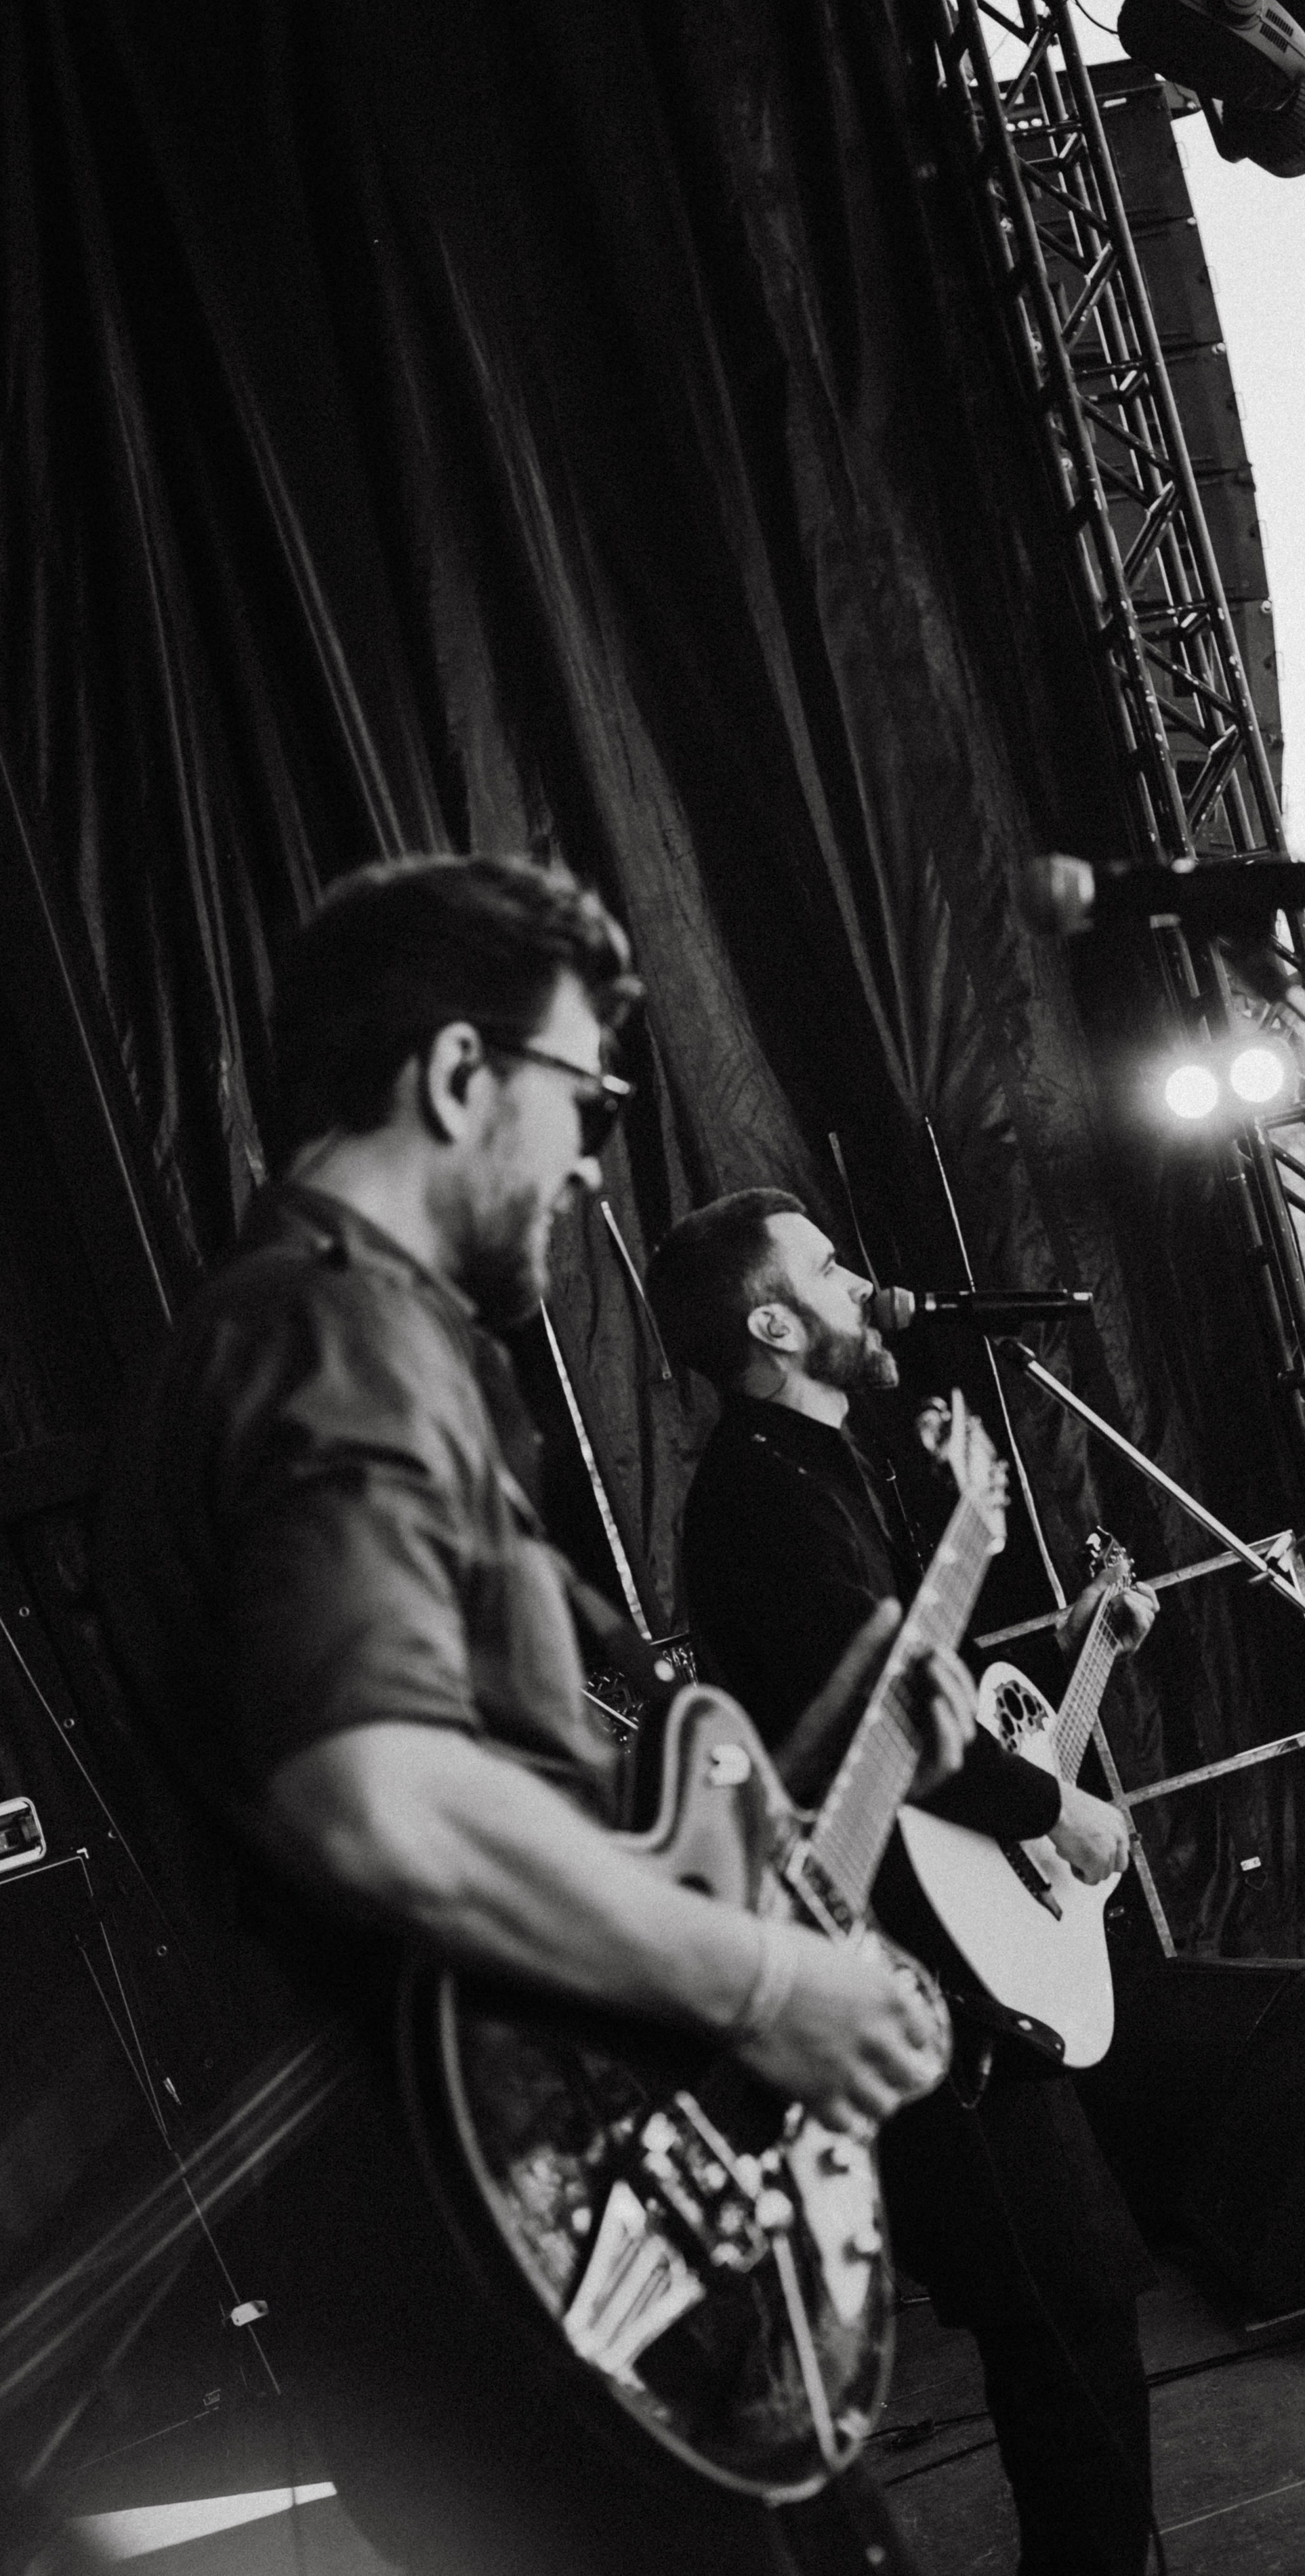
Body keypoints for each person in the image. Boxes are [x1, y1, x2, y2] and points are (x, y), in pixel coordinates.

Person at [98, 860, 982, 2576]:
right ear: (452, 1078)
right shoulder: (331, 1338)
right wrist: (765, 1979)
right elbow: (383, 1806)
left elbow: (541, 1808)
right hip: (517, 2264)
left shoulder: (298, 1342)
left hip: (504, 2263)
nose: (590, 1164)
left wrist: (833, 1762)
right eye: (581, 1101)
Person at [646, 1192, 1163, 2576]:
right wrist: (1052, 1804)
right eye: (824, 1265)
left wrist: (1041, 1636)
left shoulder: (823, 1468)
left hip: (953, 1972)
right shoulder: (759, 1495)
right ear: (771, 1323)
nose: (861, 1280)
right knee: (1067, 2345)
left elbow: (911, 1672)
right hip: (919, 1996)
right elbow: (891, 1713)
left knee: (1076, 2335)